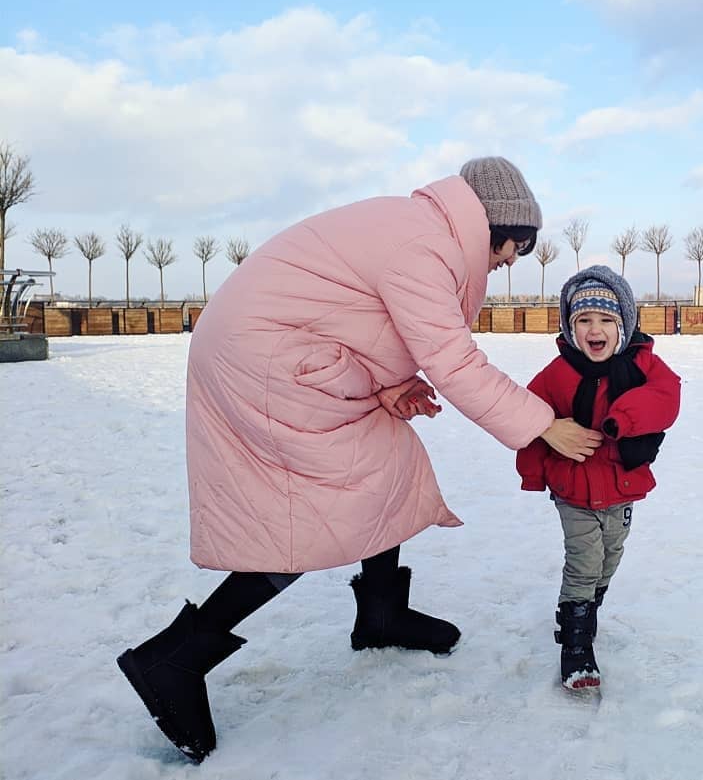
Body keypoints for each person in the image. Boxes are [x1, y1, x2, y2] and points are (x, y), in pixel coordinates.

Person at [116, 157, 604, 763]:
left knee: (387, 465)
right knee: (309, 514)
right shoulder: (425, 247)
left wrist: (382, 387)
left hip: (287, 355)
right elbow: (454, 362)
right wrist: (542, 425)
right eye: (512, 249)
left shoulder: (421, 230)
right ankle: (175, 658)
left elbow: (345, 317)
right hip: (268, 367)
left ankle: (380, 613)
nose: (507, 264)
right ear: (491, 224)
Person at [516, 267, 681, 690]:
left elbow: (666, 397)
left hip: (621, 487)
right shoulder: (557, 373)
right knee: (584, 561)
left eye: (607, 321)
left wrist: (621, 420)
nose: (596, 329)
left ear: (623, 325)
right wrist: (534, 473)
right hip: (572, 489)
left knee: (611, 555)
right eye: (584, 320)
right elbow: (531, 418)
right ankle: (574, 643)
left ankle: (588, 610)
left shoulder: (643, 364)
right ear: (570, 327)